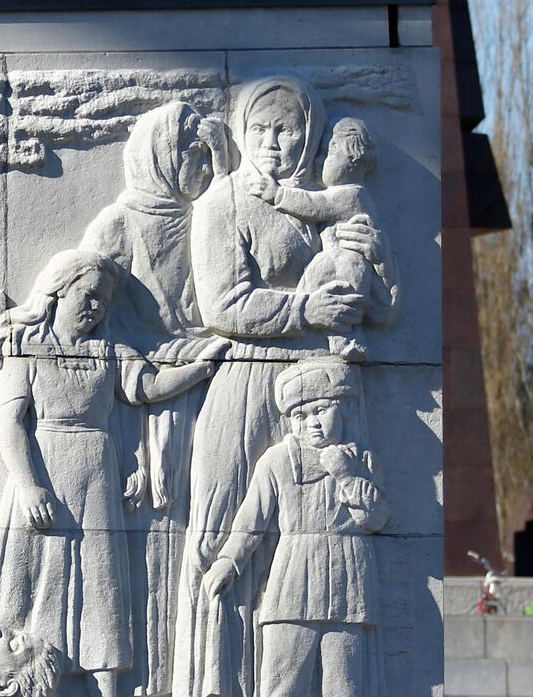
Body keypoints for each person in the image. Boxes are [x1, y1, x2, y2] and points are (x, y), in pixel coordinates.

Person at [176, 76, 392, 697]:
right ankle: (214, 682)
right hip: (248, 382)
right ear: (243, 133)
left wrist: (375, 260)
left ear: (310, 134)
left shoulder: (333, 200)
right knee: (229, 531)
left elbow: (379, 308)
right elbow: (223, 305)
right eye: (260, 131)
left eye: (287, 130)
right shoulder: (224, 203)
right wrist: (305, 311)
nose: (273, 144)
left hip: (325, 388)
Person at [0, 249, 226, 682]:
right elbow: (8, 421)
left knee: (100, 576)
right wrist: (28, 485)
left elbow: (148, 389)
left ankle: (101, 678)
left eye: (103, 301)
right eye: (88, 295)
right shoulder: (25, 346)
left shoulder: (109, 351)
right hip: (47, 465)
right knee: (36, 571)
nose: (95, 307)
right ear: (60, 290)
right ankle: (19, 671)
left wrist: (201, 368)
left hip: (97, 470)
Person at [76, 101, 227, 695]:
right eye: (192, 151)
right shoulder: (119, 223)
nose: (201, 163)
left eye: (208, 155)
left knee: (200, 533)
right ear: (159, 155)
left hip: (205, 386)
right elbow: (81, 310)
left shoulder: (210, 216)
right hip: (139, 402)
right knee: (143, 543)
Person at [203, 358, 387, 696]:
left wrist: (346, 474)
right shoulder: (276, 461)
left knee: (345, 685)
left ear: (343, 407)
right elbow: (251, 521)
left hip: (348, 573)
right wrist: (228, 561)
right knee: (283, 682)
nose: (312, 423)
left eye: (320, 410)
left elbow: (376, 519)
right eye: (300, 416)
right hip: (292, 576)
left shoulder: (360, 459)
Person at [249, 117, 398, 361]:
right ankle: (340, 335)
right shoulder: (353, 193)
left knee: (343, 295)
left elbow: (315, 205)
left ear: (351, 159)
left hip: (346, 262)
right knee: (320, 286)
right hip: (333, 260)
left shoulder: (351, 194)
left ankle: (346, 335)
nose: (318, 161)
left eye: (328, 152)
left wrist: (277, 194)